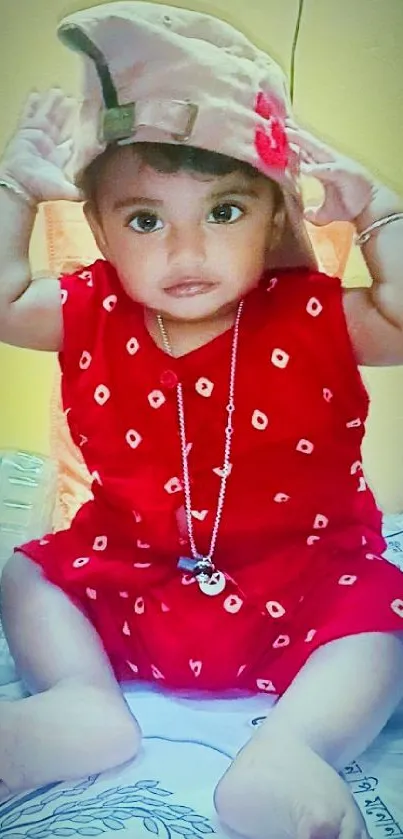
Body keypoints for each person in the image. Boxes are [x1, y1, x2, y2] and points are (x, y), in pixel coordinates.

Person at [0, 3, 403, 837]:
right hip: (137, 574)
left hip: (304, 580)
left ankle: (295, 746)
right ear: (102, 229)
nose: (185, 254)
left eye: (222, 213)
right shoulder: (90, 308)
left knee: (381, 614)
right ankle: (82, 700)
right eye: (145, 220)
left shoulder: (315, 314)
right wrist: (12, 192)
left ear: (272, 216)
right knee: (27, 574)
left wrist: (381, 216)